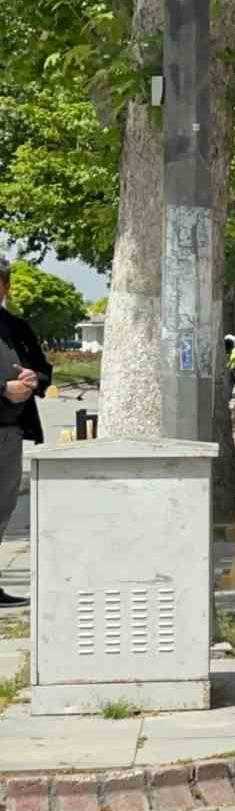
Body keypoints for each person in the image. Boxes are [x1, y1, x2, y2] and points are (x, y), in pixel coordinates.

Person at [0, 258, 53, 608]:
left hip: (10, 433)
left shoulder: (17, 327)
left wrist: (35, 379)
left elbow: (43, 368)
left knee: (2, 509)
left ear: (5, 286)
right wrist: (2, 389)